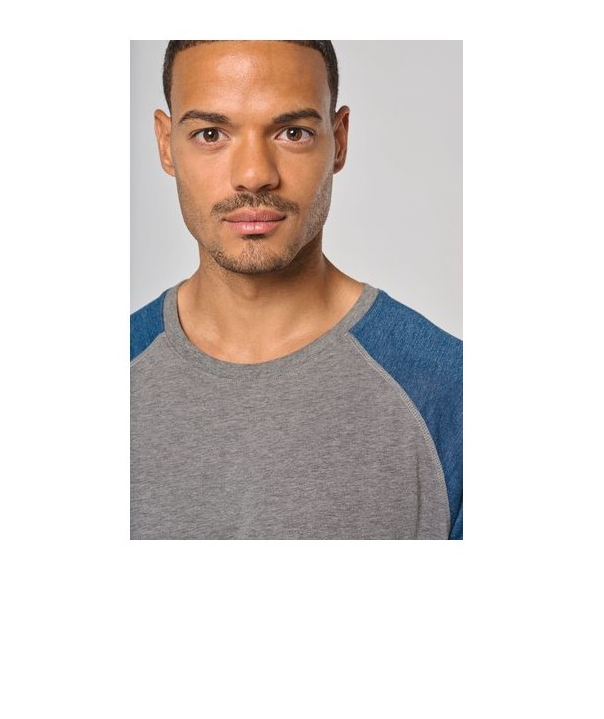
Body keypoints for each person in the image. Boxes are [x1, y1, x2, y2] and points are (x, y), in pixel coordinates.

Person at [130, 40, 462, 540]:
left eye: (292, 133)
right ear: (165, 143)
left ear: (339, 141)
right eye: (210, 134)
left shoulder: (451, 392)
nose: (254, 175)